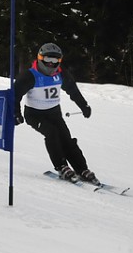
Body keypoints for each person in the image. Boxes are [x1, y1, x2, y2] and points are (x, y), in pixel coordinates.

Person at [14, 42, 99, 184]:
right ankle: (61, 166)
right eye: (48, 60)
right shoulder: (29, 76)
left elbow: (72, 90)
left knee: (66, 138)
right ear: (40, 58)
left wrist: (83, 105)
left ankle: (81, 169)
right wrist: (16, 113)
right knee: (51, 133)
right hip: (35, 115)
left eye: (55, 60)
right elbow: (14, 95)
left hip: (54, 113)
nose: (51, 64)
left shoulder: (60, 74)